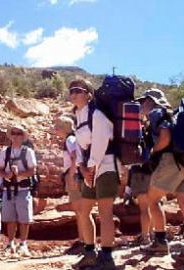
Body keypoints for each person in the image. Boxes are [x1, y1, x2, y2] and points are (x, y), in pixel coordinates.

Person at [137, 89, 184, 269]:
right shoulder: (178, 115)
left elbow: (165, 137)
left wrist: (154, 153)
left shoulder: (158, 113)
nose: (142, 105)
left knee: (153, 199)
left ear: (151, 100)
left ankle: (160, 241)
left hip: (171, 161)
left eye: (143, 101)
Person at [70, 79, 118, 270]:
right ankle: (90, 252)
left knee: (105, 212)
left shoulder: (96, 114)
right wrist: (82, 168)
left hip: (106, 167)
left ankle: (107, 257)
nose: (73, 93)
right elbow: (80, 147)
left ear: (89, 95)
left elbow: (101, 141)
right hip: (90, 169)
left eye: (78, 90)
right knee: (83, 210)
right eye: (71, 90)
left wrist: (91, 167)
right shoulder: (78, 117)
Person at [0, 125, 37, 257]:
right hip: (8, 189)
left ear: (23, 137)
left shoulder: (28, 152)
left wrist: (19, 175)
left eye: (18, 134)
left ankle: (23, 244)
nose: (15, 136)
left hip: (23, 189)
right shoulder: (5, 152)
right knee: (10, 219)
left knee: (24, 219)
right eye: (13, 133)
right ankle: (10, 244)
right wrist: (7, 175)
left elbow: (33, 170)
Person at [54, 116, 84, 255]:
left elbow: (74, 156)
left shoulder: (70, 139)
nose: (55, 130)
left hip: (74, 175)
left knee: (80, 210)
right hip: (75, 175)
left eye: (57, 127)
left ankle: (84, 241)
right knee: (79, 210)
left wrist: (71, 174)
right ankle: (83, 239)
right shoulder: (71, 138)